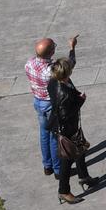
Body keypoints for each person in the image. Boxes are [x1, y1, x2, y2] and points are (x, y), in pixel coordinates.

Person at [46, 57, 98, 204]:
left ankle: (83, 176)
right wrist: (80, 100)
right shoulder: (65, 94)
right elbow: (65, 115)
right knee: (67, 161)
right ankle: (63, 191)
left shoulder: (55, 81)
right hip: (65, 130)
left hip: (63, 126)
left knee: (80, 148)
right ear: (67, 73)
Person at [25, 35, 77, 179]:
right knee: (55, 137)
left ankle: (47, 166)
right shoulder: (50, 71)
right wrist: (72, 47)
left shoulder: (29, 63)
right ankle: (58, 169)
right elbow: (69, 64)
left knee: (44, 133)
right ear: (51, 52)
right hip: (49, 105)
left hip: (38, 102)